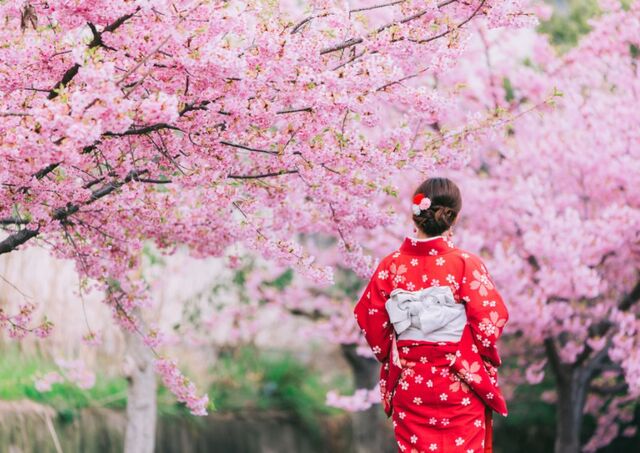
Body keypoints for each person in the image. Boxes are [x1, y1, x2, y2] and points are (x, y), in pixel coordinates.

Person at [353, 177, 509, 453]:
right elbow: (489, 320)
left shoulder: (391, 266)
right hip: (458, 379)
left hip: (412, 384)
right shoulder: (465, 264)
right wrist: (466, 352)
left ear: (416, 214)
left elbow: (370, 318)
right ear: (454, 217)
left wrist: (399, 349)